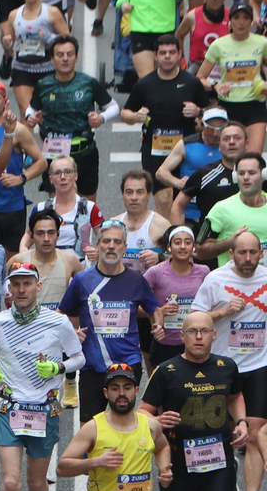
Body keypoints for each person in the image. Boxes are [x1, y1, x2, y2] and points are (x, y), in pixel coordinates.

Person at [140, 312, 249, 491]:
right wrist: (158, 419)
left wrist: (241, 422)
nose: (198, 337)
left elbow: (236, 396)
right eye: (192, 332)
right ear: (183, 336)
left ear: (214, 335)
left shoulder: (226, 367)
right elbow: (143, 412)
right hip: (179, 466)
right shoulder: (166, 370)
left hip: (219, 464)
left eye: (204, 331)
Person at [0, 262, 84, 491]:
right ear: (9, 288)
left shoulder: (58, 323)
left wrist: (58, 367)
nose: (21, 290)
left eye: (27, 284)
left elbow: (78, 357)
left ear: (38, 287)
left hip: (43, 411)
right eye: (16, 284)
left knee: (36, 481)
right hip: (10, 408)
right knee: (10, 481)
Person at [57, 364, 171, 491]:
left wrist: (164, 469)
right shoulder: (93, 427)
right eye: (115, 388)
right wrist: (94, 462)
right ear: (105, 392)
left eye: (127, 387)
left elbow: (162, 447)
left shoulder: (151, 426)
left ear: (136, 391)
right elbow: (62, 467)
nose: (121, 393)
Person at [190, 227, 267, 491]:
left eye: (253, 252)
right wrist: (223, 311)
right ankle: (220, 479)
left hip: (260, 365)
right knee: (221, 430)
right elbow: (194, 320)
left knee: (255, 432)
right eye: (242, 252)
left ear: (260, 253)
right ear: (231, 253)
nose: (247, 259)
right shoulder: (216, 279)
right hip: (223, 365)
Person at [56, 221, 161, 420]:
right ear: (98, 246)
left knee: (124, 420)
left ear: (123, 248)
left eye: (117, 241)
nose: (111, 246)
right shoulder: (82, 280)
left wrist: (157, 325)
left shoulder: (137, 280)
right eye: (106, 241)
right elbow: (60, 314)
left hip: (128, 362)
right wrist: (71, 332)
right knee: (89, 425)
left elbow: (154, 308)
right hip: (92, 365)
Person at [121, 37, 208, 217]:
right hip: (154, 151)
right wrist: (136, 116)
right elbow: (125, 113)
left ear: (179, 55)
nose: (167, 57)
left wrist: (199, 111)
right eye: (162, 53)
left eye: (171, 53)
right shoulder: (145, 84)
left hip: (185, 151)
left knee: (181, 199)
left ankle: (178, 239)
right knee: (163, 199)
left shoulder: (191, 82)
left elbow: (212, 113)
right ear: (155, 55)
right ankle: (167, 240)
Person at [25, 35, 120, 198]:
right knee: (57, 207)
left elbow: (114, 107)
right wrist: (31, 117)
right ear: (52, 59)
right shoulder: (43, 85)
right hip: (53, 152)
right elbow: (30, 109)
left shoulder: (88, 83)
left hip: (84, 152)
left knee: (86, 208)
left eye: (69, 54)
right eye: (60, 55)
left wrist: (101, 118)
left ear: (76, 57)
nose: (65, 59)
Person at [0, 80, 46, 258]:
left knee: (12, 258)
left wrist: (22, 178)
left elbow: (41, 162)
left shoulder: (18, 130)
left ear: (6, 103)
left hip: (12, 206)